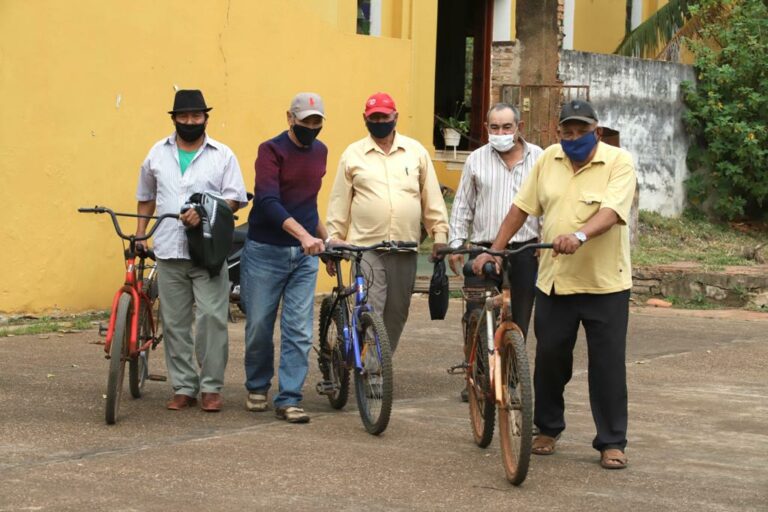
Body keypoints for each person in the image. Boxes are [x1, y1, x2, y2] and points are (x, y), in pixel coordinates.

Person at [473, 99, 636, 470]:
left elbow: (611, 212)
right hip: (556, 282)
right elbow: (520, 208)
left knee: (607, 366)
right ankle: (547, 428)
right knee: (549, 360)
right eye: (568, 132)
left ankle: (611, 442)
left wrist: (579, 235)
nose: (574, 138)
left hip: (605, 284)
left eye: (582, 131)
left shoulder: (618, 162)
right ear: (558, 132)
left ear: (596, 130)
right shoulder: (548, 159)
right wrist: (495, 251)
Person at [135, 89, 248, 412]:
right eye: (183, 117)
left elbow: (234, 197)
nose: (189, 122)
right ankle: (184, 386)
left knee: (212, 318)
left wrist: (204, 209)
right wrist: (142, 234)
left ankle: (211, 387)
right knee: (174, 321)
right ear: (174, 119)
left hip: (208, 252)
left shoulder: (222, 155)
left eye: (195, 116)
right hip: (169, 248)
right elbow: (146, 196)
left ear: (205, 118)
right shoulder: (157, 153)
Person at [326, 92, 449, 354]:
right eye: (374, 117)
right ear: (365, 119)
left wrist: (439, 235)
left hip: (405, 246)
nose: (379, 121)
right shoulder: (353, 154)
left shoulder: (415, 152)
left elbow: (432, 199)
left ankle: (380, 363)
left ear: (395, 117)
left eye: (384, 116)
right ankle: (372, 371)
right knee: (373, 306)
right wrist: (334, 238)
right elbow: (339, 201)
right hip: (366, 247)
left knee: (397, 312)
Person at [241, 92, 329, 424]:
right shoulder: (271, 150)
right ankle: (258, 384)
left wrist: (325, 237)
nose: (311, 126)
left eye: (316, 121)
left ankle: (289, 397)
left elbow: (309, 203)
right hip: (266, 250)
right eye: (305, 120)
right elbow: (267, 201)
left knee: (299, 328)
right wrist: (303, 235)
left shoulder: (321, 152)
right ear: (290, 118)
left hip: (304, 256)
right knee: (260, 324)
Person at [448, 103, 543, 402]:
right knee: (477, 314)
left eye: (506, 127)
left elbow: (549, 203)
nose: (500, 133)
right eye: (494, 127)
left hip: (527, 248)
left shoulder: (540, 158)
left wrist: (546, 240)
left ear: (519, 127)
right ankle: (477, 377)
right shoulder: (476, 159)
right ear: (487, 128)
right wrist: (456, 244)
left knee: (520, 317)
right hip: (483, 248)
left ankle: (511, 379)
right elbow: (463, 205)